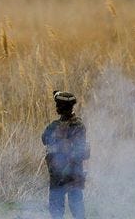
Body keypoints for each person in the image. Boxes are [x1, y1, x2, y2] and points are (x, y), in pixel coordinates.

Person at [41, 91, 90, 219]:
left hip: (58, 172)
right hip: (74, 171)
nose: (56, 107)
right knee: (77, 205)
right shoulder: (79, 125)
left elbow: (44, 139)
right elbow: (80, 150)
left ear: (59, 108)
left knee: (57, 208)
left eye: (58, 105)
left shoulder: (54, 126)